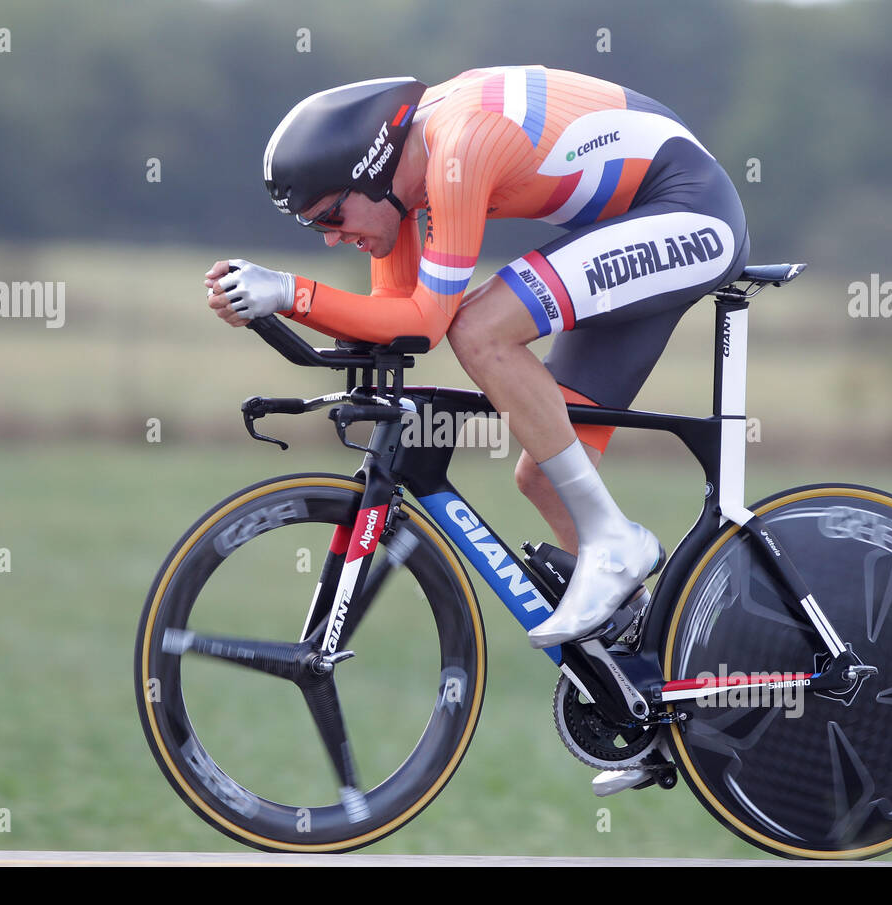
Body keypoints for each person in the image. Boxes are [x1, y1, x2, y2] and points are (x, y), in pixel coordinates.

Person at [206, 67, 749, 650]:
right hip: (631, 226)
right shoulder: (404, 186)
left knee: (480, 327)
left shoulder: (458, 149)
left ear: (371, 172)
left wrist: (292, 293)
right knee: (545, 474)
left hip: (690, 212)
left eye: (330, 217)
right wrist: (277, 307)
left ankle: (615, 541)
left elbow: (427, 324)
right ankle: (649, 662)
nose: (331, 238)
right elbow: (391, 317)